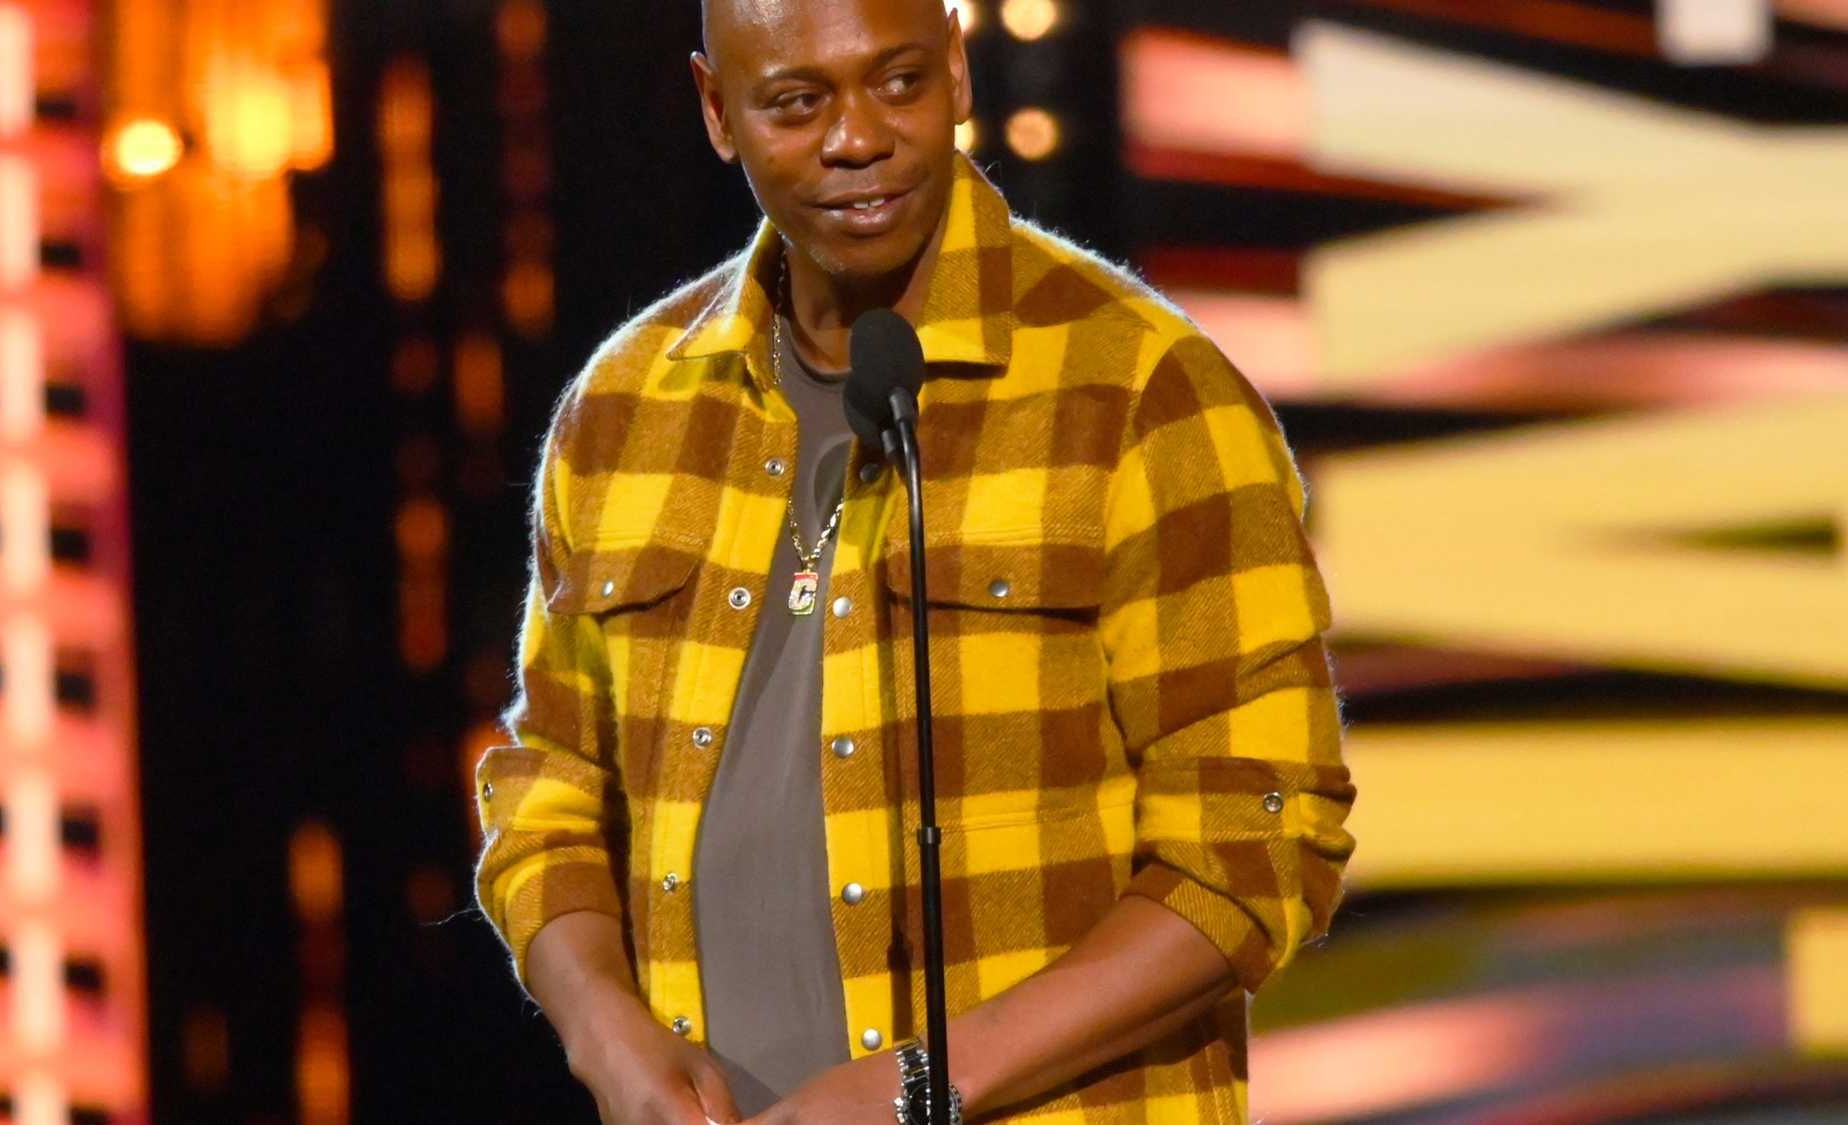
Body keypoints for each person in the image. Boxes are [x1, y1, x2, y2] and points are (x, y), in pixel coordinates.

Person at [472, 0, 1357, 1121]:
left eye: (899, 83)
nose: (858, 139)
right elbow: (549, 787)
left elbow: (1258, 840)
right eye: (797, 103)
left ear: (956, 67)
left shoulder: (1145, 392)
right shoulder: (626, 407)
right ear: (716, 111)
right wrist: (603, 1028)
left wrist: (921, 1086)